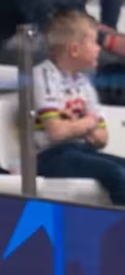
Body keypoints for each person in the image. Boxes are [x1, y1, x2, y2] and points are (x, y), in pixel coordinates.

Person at [33, 9, 125, 205]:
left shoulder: (84, 84)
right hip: (51, 157)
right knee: (116, 173)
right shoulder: (43, 75)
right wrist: (87, 123)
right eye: (94, 42)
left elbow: (102, 138)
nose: (99, 48)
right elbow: (56, 131)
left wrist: (77, 125)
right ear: (74, 49)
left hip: (84, 152)